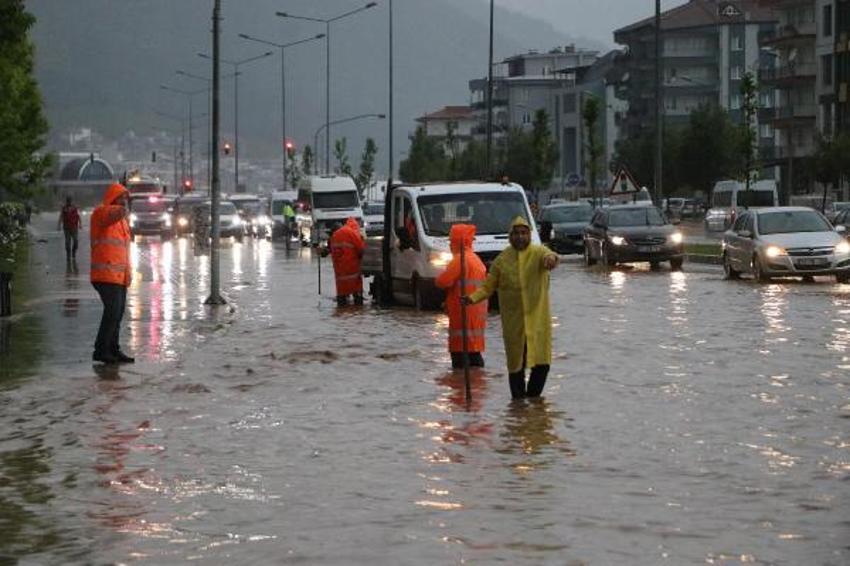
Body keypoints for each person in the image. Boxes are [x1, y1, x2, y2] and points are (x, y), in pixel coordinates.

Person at [465, 216, 559, 399]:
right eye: (516, 233)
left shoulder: (538, 253)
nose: (520, 237)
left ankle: (533, 403)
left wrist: (551, 259)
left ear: (529, 235)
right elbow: (487, 287)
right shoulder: (502, 261)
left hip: (537, 321)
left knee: (542, 363)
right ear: (510, 236)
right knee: (516, 365)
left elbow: (551, 256)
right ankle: (518, 406)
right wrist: (471, 298)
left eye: (524, 233)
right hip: (513, 323)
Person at [90, 183, 134, 364]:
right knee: (112, 312)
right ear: (112, 198)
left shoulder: (122, 222)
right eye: (121, 197)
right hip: (105, 275)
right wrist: (123, 207)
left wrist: (128, 274)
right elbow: (113, 214)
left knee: (118, 313)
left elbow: (124, 251)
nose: (124, 201)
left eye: (126, 198)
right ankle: (101, 350)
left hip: (119, 276)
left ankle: (113, 349)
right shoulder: (100, 213)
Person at [435, 224, 488, 369]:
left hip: (463, 314)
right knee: (474, 354)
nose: (450, 245)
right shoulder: (476, 259)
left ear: (457, 242)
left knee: (461, 359)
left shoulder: (460, 260)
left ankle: (462, 382)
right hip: (476, 315)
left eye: (451, 241)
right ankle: (478, 380)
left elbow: (442, 282)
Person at [329, 217, 366, 306]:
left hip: (339, 270)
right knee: (357, 298)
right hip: (352, 268)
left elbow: (332, 251)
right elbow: (361, 249)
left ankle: (342, 305)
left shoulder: (334, 235)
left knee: (341, 297)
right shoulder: (352, 233)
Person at [58, 196, 82, 262]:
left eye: (70, 201)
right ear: (66, 201)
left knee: (75, 241)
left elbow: (78, 216)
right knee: (68, 243)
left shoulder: (74, 208)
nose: (69, 202)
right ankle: (68, 255)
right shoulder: (64, 208)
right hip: (66, 228)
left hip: (74, 228)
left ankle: (73, 253)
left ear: (71, 201)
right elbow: (61, 216)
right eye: (68, 201)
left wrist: (80, 224)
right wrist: (59, 225)